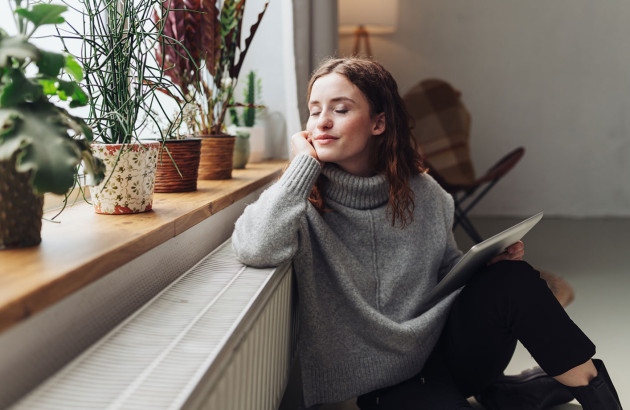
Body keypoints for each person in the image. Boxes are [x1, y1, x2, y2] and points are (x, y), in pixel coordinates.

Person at [231, 57, 622, 409]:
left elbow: (443, 268)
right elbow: (253, 247)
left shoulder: (424, 192)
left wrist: (484, 269)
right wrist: (301, 168)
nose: (322, 122)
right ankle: (507, 392)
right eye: (314, 111)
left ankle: (599, 399)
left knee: (512, 278)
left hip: (442, 357)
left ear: (379, 122)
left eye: (340, 109)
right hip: (377, 388)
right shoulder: (299, 200)